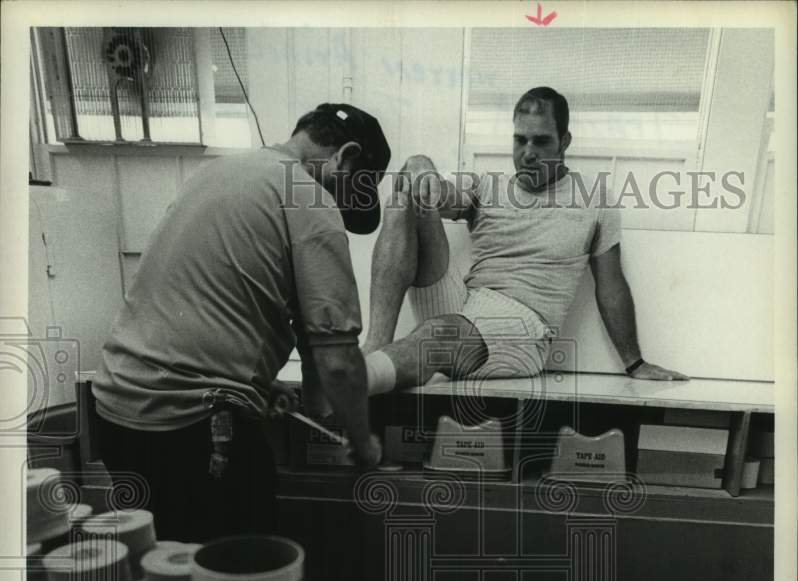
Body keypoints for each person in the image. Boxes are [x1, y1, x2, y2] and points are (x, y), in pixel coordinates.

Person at [92, 103, 390, 543]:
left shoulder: (219, 172)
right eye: (351, 197)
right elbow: (338, 363)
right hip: (190, 427)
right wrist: (364, 444)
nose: (340, 211)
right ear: (344, 158)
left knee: (168, 568)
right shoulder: (308, 195)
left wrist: (253, 382)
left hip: (116, 413)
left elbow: (208, 296)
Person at [361, 86, 688, 395]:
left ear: (564, 142)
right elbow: (436, 191)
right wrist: (420, 165)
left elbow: (611, 284)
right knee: (406, 199)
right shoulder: (488, 188)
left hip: (523, 329)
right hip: (463, 307)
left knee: (438, 336)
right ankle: (373, 348)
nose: (527, 153)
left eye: (541, 141)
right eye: (520, 140)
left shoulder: (594, 199)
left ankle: (354, 383)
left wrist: (635, 363)